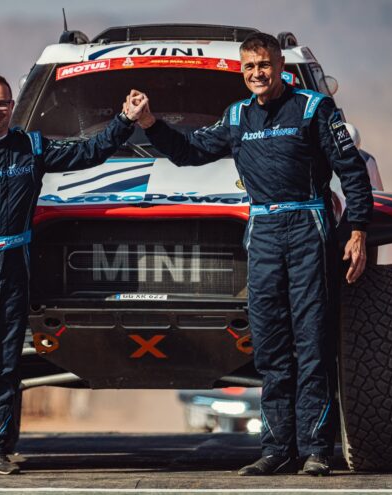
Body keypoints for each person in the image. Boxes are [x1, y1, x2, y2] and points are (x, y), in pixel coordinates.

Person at [127, 32, 372, 476]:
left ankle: (316, 450)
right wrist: (149, 123)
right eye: (249, 68)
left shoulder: (314, 108)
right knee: (271, 345)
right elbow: (189, 151)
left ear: (280, 67)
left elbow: (352, 171)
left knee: (312, 343)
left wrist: (357, 230)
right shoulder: (237, 116)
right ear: (242, 72)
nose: (257, 74)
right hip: (262, 232)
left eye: (264, 65)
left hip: (307, 226)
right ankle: (277, 450)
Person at [0, 74, 147, 475]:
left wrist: (125, 120)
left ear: (11, 106)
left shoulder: (32, 147)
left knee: (5, 363)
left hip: (14, 267)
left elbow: (89, 152)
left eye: (1, 103)